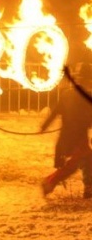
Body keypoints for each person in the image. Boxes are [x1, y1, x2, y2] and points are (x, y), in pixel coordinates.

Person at [40, 63, 92, 198]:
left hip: (67, 137)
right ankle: (49, 182)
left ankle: (88, 187)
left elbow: (54, 112)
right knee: (78, 163)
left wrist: (44, 126)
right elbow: (88, 118)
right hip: (77, 136)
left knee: (86, 160)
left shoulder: (67, 94)